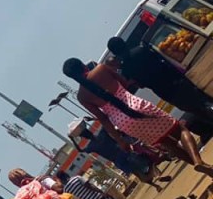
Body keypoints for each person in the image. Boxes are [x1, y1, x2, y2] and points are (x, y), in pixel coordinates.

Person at [63, 58, 213, 177]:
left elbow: (103, 119)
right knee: (179, 129)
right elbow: (124, 83)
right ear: (83, 65)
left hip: (123, 122)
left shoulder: (82, 96)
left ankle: (205, 169)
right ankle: (198, 161)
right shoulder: (101, 68)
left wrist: (120, 140)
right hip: (135, 105)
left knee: (167, 143)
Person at [107, 36, 213, 123]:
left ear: (115, 53)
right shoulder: (142, 50)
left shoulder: (125, 71)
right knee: (203, 101)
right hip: (176, 80)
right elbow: (163, 60)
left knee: (197, 111)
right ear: (124, 43)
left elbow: (140, 85)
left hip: (166, 93)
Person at [69, 121, 165, 189]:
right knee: (146, 162)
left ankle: (156, 185)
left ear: (84, 138)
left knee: (137, 173)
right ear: (89, 131)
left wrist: (72, 139)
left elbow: (80, 150)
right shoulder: (102, 134)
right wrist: (92, 119)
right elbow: (105, 121)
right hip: (124, 152)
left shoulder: (91, 146)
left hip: (117, 160)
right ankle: (157, 175)